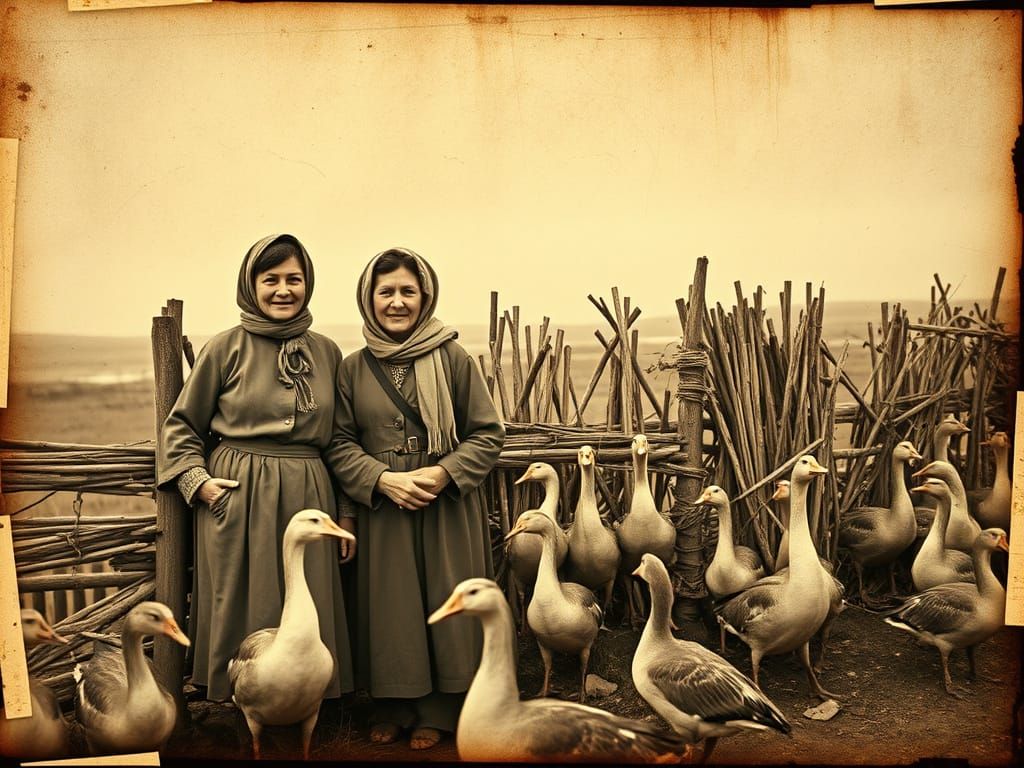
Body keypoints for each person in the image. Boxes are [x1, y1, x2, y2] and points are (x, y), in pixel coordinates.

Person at [157, 233, 354, 704]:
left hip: (309, 494)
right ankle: (238, 707)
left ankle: (305, 703)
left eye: (294, 279)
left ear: (309, 284)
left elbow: (342, 440)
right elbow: (182, 425)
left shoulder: (327, 353)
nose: (283, 290)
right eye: (271, 280)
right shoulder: (224, 348)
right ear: (251, 284)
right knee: (239, 599)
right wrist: (198, 483)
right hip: (237, 494)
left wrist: (345, 513)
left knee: (305, 596)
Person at [329, 247, 504, 751]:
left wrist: (445, 473)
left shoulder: (453, 358)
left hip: (445, 502)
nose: (398, 302)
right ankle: (393, 704)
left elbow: (487, 433)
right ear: (369, 299)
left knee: (445, 600)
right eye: (386, 292)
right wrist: (382, 480)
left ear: (425, 296)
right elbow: (339, 442)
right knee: (391, 606)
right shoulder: (352, 368)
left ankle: (444, 710)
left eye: (408, 291)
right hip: (383, 504)